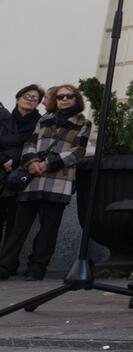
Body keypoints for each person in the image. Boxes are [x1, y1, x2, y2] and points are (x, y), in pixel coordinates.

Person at [0, 84, 91, 280]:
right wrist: (33, 162)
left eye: (69, 96)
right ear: (55, 100)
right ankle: (5, 267)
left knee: (48, 229)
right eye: (60, 97)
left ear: (77, 99)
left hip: (59, 180)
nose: (64, 99)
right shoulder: (44, 119)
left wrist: (48, 164)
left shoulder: (83, 122)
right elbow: (30, 143)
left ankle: (37, 268)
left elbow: (78, 151)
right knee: (18, 228)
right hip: (33, 178)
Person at [0, 84, 44, 246]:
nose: (30, 100)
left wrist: (14, 160)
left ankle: (7, 264)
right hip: (1, 171)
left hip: (22, 177)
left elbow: (36, 148)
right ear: (18, 98)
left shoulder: (40, 123)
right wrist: (4, 160)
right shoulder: (4, 117)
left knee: (15, 224)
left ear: (38, 103)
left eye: (35, 98)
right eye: (27, 96)